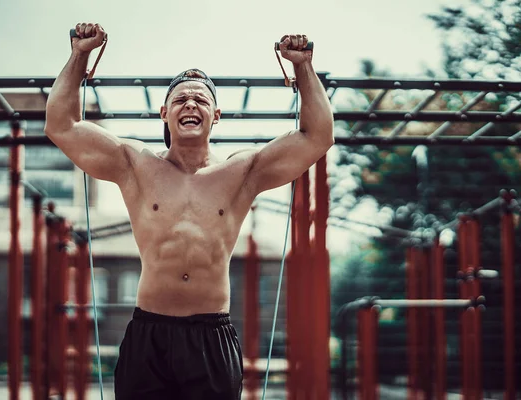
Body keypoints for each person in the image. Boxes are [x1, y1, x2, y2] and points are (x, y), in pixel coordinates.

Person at [45, 22, 334, 400]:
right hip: (148, 334)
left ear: (216, 116)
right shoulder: (135, 164)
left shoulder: (241, 172)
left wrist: (302, 67)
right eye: (181, 100)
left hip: (210, 336)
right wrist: (80, 54)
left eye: (201, 99)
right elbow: (61, 124)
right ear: (164, 113)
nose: (191, 105)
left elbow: (318, 136)